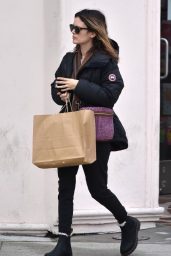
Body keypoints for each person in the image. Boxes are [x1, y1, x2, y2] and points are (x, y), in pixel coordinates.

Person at [45, 9, 140, 256]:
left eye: (78, 29)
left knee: (97, 187)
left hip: (96, 131)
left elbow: (110, 96)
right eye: (71, 28)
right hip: (69, 127)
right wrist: (61, 93)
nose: (73, 33)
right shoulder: (68, 59)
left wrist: (78, 85)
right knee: (65, 186)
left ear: (93, 33)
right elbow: (55, 88)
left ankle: (127, 222)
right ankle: (64, 242)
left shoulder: (107, 61)